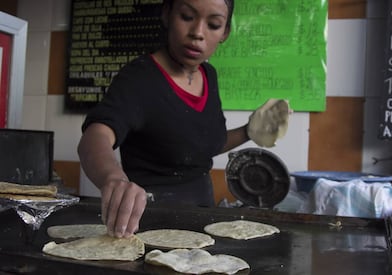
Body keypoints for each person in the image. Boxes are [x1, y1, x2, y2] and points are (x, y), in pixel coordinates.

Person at [78, 0, 283, 239]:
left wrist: (249, 131)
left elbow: (200, 146)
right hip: (148, 224)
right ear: (167, 15)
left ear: (225, 32)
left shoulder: (209, 75)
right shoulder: (140, 77)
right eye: (186, 17)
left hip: (202, 218)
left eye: (213, 24)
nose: (197, 33)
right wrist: (112, 178)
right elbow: (95, 137)